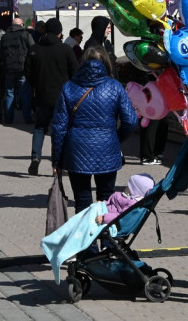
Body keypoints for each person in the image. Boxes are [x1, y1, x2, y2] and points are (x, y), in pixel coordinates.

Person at [51, 47, 138, 214]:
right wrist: (116, 138)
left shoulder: (69, 87)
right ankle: (106, 239)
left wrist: (57, 160)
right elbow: (131, 121)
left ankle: (87, 239)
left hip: (76, 150)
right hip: (107, 148)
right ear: (106, 62)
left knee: (82, 200)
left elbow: (59, 127)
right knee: (107, 199)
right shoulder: (115, 87)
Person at [25, 17, 78, 175]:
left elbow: (27, 72)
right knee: (59, 130)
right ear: (60, 33)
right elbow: (75, 72)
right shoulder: (66, 50)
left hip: (41, 94)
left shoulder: (35, 49)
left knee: (40, 127)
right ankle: (57, 164)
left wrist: (37, 83)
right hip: (62, 97)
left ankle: (35, 156)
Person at [0, 17, 34, 124]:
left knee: (9, 94)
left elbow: (1, 53)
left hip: (9, 69)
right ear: (21, 24)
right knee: (25, 94)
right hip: (23, 69)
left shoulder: (5, 36)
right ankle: (27, 118)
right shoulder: (26, 34)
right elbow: (32, 49)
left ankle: (9, 118)